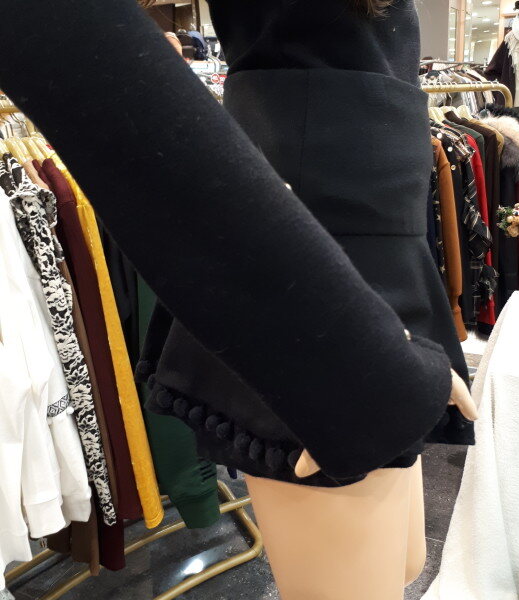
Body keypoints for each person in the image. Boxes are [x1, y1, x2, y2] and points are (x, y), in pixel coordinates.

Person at [0, 1, 476, 597]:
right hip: (313, 279)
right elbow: (66, 30)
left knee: (402, 566)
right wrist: (350, 352)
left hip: (383, 250)